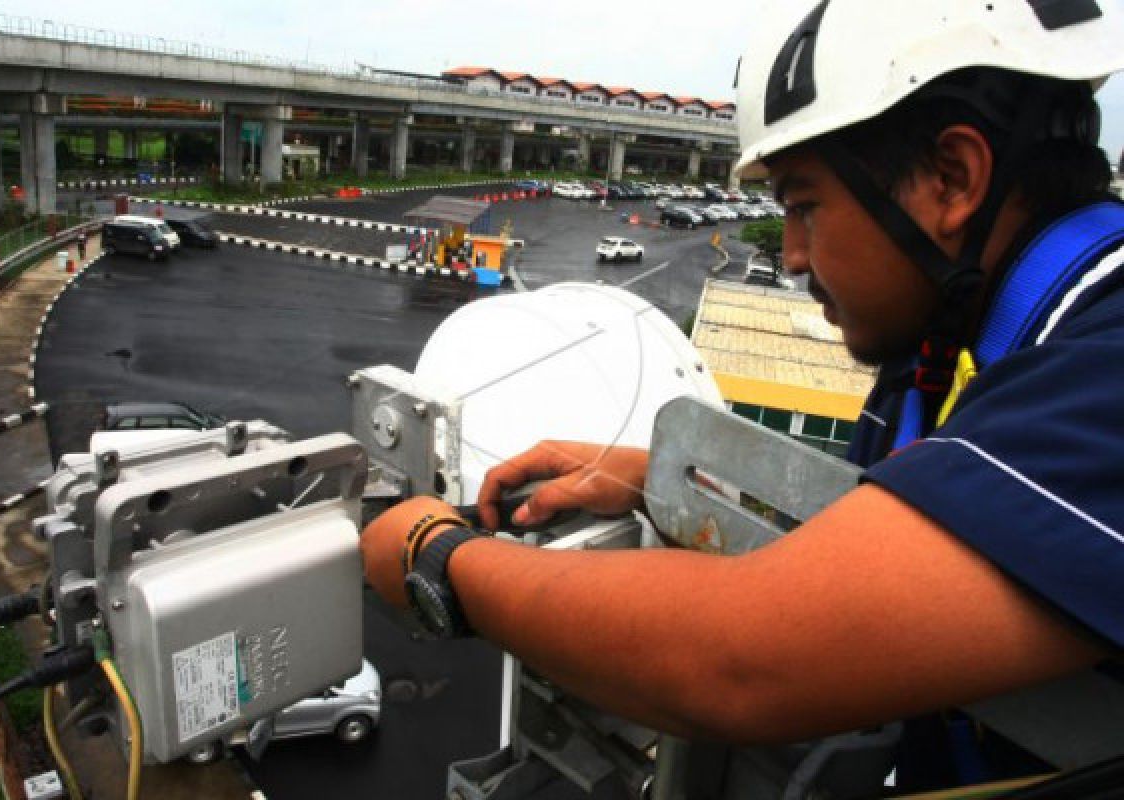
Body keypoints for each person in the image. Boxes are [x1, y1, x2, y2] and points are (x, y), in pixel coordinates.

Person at [362, 0, 1124, 790]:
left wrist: (439, 558)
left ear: (951, 178)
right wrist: (657, 478)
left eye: (803, 205)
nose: (791, 256)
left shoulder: (1107, 368)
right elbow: (883, 550)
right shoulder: (942, 365)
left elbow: (741, 661)